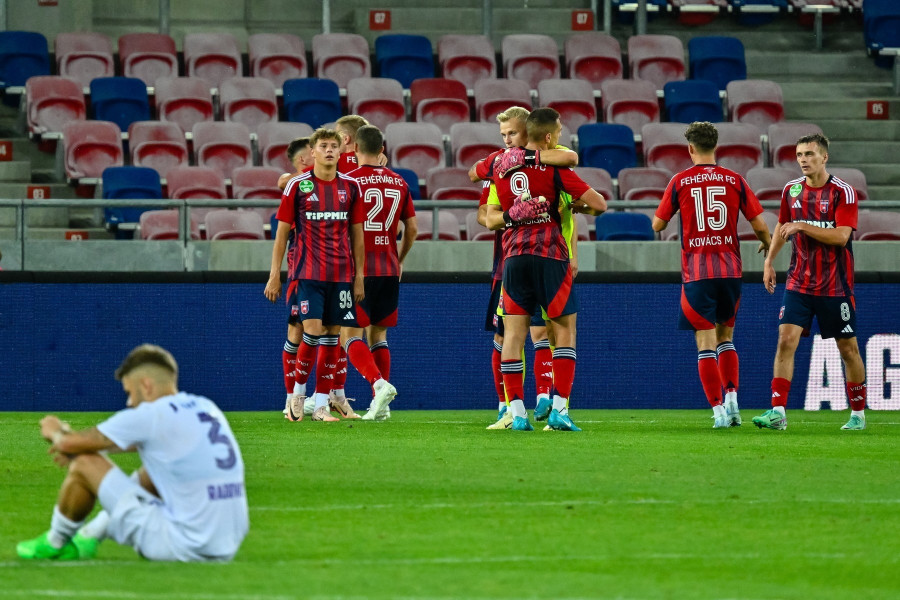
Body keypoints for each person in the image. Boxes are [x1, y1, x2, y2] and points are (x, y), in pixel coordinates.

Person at [16, 344, 248, 562]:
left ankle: (56, 543)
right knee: (155, 470)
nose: (129, 402)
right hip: (228, 543)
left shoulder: (151, 414)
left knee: (85, 463)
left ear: (146, 385)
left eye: (129, 391)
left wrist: (56, 431)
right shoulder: (205, 406)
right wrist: (78, 444)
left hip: (183, 545)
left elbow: (70, 445)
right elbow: (124, 444)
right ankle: (89, 535)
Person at [485, 107, 607, 431]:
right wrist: (576, 204)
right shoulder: (555, 166)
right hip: (550, 254)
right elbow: (599, 204)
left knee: (513, 336)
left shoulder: (502, 169)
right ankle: (560, 410)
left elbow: (488, 217)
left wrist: (514, 216)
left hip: (513, 256)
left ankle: (518, 414)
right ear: (549, 137)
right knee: (564, 331)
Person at [265, 128, 397, 422]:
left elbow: (357, 235)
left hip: (341, 276)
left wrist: (359, 275)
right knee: (310, 332)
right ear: (312, 152)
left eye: (333, 146)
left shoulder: (350, 187)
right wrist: (275, 274)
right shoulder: (298, 186)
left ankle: (322, 404)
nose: (328, 150)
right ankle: (297, 396)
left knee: (331, 337)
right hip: (307, 273)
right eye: (323, 146)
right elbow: (282, 232)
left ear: (341, 152)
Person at [651, 122, 772, 428]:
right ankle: (732, 399)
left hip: (697, 272)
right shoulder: (735, 179)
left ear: (690, 148)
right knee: (726, 338)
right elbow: (759, 224)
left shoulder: (679, 181)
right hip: (730, 271)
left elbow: (658, 225)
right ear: (716, 146)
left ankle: (718, 411)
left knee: (705, 343)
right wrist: (767, 245)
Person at [469, 106, 579, 430]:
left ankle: (547, 400)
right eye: (503, 136)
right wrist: (511, 215)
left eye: (513, 134)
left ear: (529, 133)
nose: (508, 141)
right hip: (510, 259)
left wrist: (573, 253)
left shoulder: (551, 157)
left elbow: (570, 209)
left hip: (552, 255)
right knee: (506, 334)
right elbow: (484, 215)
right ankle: (507, 407)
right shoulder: (502, 166)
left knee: (544, 331)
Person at [753, 133, 866, 431]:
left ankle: (857, 414)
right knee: (785, 340)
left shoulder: (843, 193)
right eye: (800, 154)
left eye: (809, 154)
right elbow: (782, 226)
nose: (803, 159)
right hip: (798, 283)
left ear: (824, 157)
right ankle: (778, 412)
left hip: (835, 286)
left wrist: (803, 225)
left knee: (848, 349)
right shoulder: (791, 191)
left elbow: (842, 236)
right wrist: (769, 261)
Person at [345, 125, 417, 420]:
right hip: (389, 267)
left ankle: (378, 385)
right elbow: (411, 229)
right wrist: (399, 259)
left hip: (358, 269)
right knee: (379, 334)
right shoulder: (399, 182)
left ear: (354, 150)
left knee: (349, 336)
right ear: (382, 150)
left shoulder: (348, 181)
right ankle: (381, 406)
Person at [275, 138, 316, 420]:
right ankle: (292, 397)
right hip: (301, 272)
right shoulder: (298, 188)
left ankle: (322, 397)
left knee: (325, 335)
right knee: (297, 333)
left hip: (329, 271)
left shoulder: (330, 186)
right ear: (305, 160)